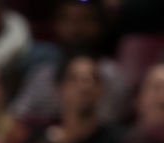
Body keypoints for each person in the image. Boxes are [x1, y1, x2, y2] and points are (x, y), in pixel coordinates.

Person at [11, 0, 127, 132]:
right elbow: (17, 118)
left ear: (99, 25)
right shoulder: (43, 74)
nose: (76, 29)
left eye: (85, 19)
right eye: (68, 20)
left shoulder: (112, 76)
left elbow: (112, 123)